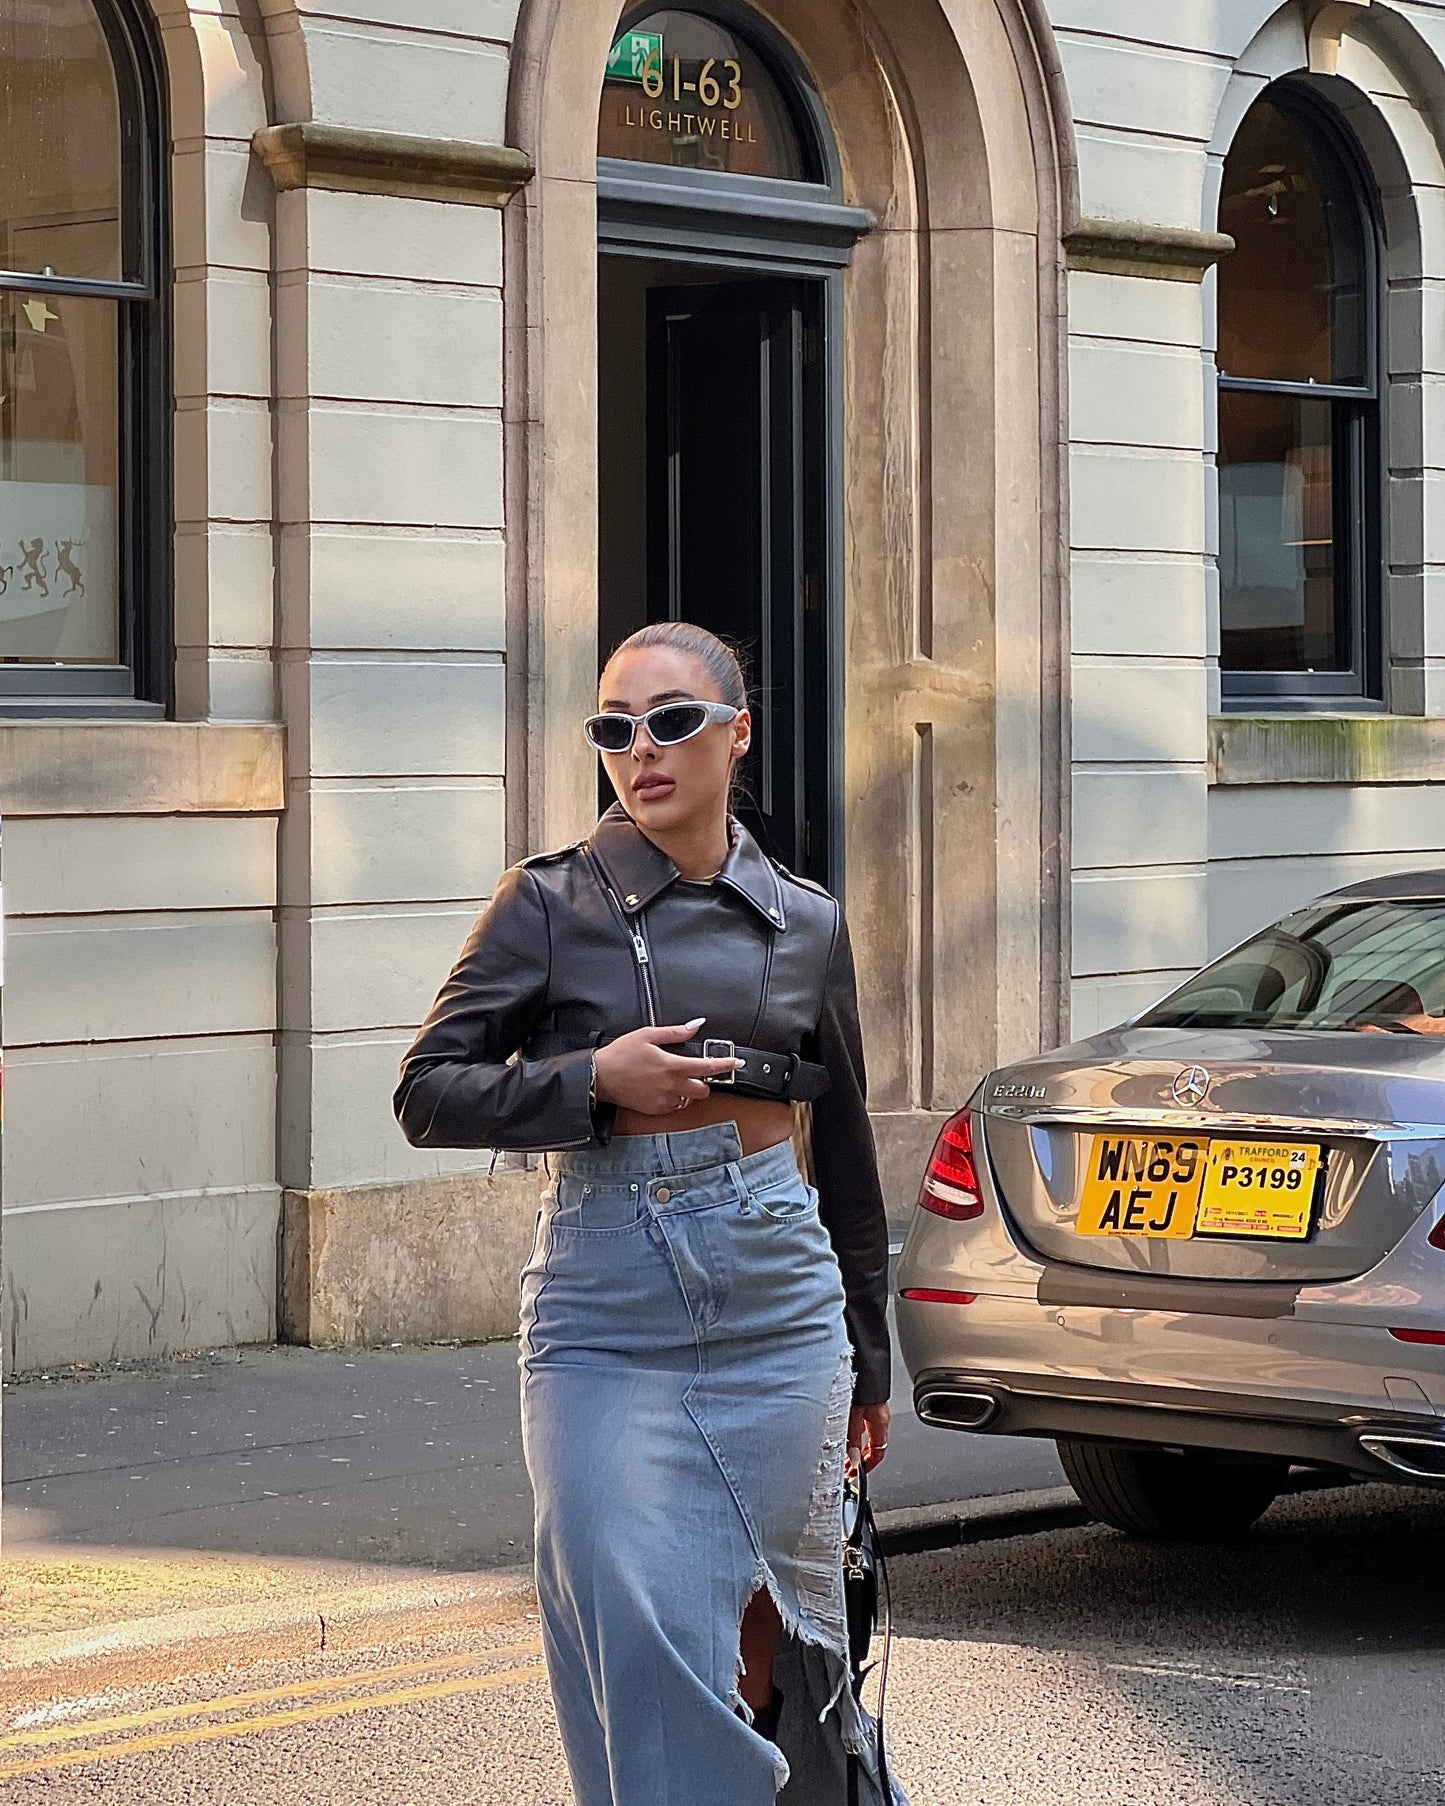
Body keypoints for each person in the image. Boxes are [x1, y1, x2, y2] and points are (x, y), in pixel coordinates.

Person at [395, 621, 905, 1805]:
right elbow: (427, 1091)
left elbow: (849, 1152)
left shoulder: (809, 921)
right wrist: (590, 1085)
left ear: (736, 733)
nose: (641, 750)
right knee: (633, 1623)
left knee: (775, 1641)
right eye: (613, 730)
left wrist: (869, 1371)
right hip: (603, 1303)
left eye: (670, 721)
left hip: (780, 1297)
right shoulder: (545, 903)